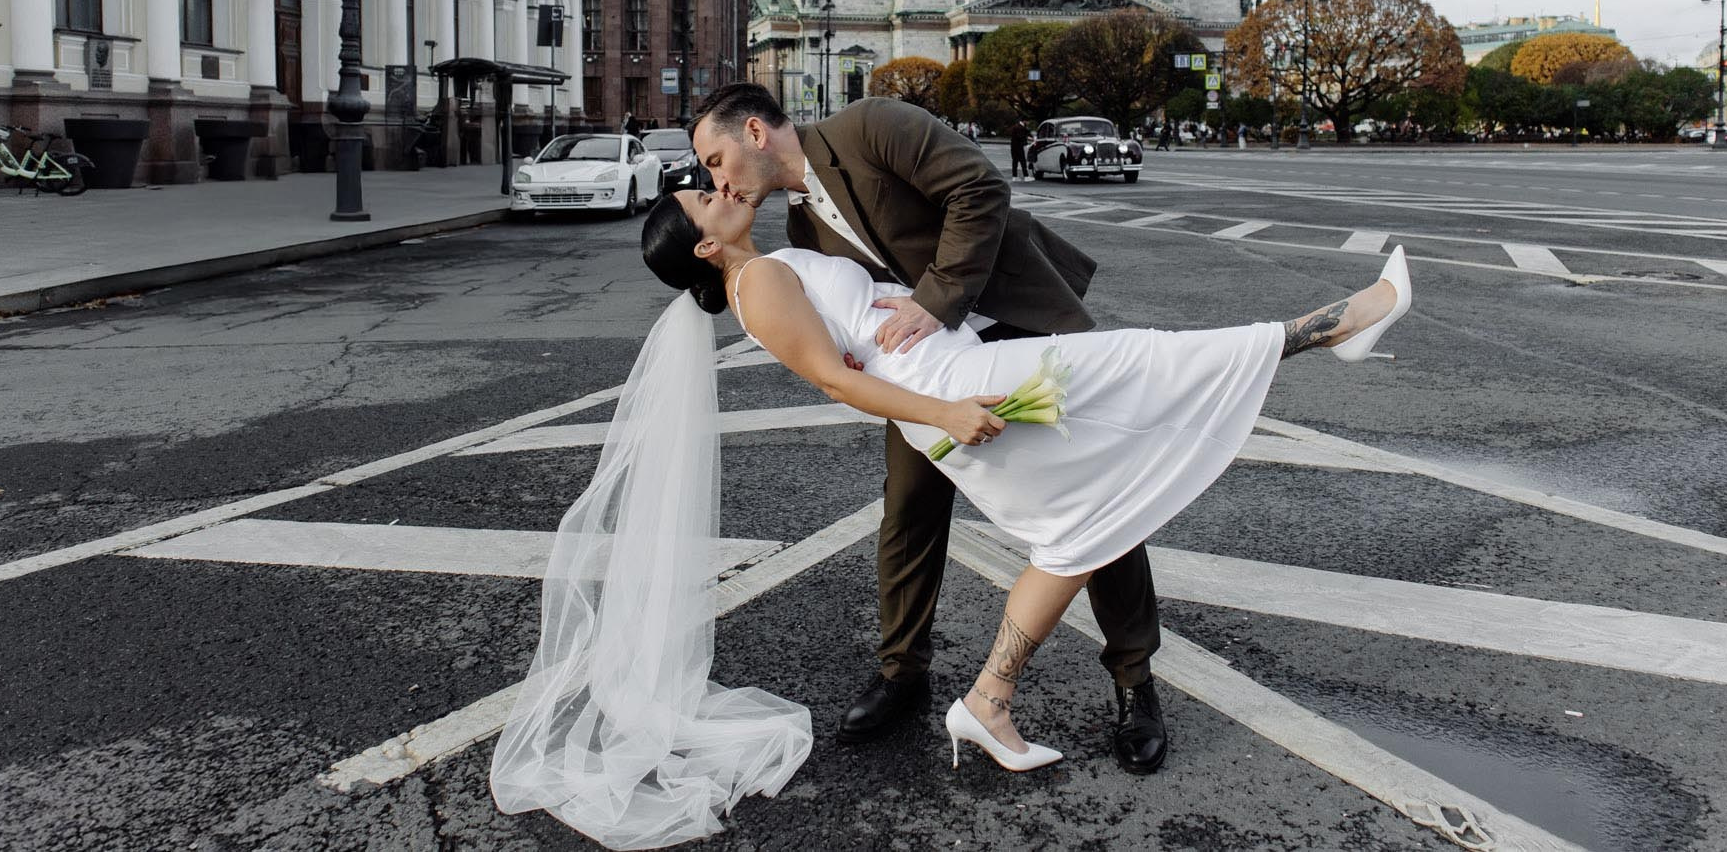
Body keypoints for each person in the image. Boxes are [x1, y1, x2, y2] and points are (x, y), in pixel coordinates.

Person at [488, 182, 1411, 843]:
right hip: (954, 388)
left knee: (1080, 526)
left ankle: (989, 701)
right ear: (701, 243)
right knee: (1152, 363)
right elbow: (837, 379)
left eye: (709, 178)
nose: (714, 188)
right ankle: (1346, 320)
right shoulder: (757, 281)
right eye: (700, 198)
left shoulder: (772, 258)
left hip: (953, 380)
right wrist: (949, 414)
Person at [680, 87, 1182, 766]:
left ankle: (1134, 683)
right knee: (910, 504)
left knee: (1092, 492)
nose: (718, 179)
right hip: (926, 372)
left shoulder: (870, 125)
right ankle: (902, 673)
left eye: (716, 159)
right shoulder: (801, 230)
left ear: (754, 133)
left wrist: (934, 301)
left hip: (1010, 316)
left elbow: (979, 188)